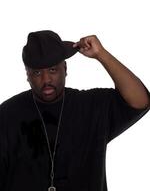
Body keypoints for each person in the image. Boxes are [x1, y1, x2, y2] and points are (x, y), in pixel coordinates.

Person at [0, 30, 149, 191]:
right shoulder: (8, 114)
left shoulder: (91, 106)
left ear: (64, 68)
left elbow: (140, 101)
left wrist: (102, 55)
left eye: (52, 70)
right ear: (27, 74)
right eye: (37, 72)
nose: (46, 80)